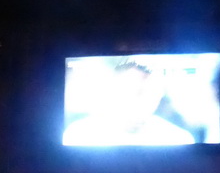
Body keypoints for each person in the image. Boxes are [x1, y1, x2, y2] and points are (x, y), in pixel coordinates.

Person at [63, 60, 196, 146]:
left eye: (151, 94)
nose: (142, 103)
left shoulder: (178, 138)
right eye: (135, 92)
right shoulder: (78, 134)